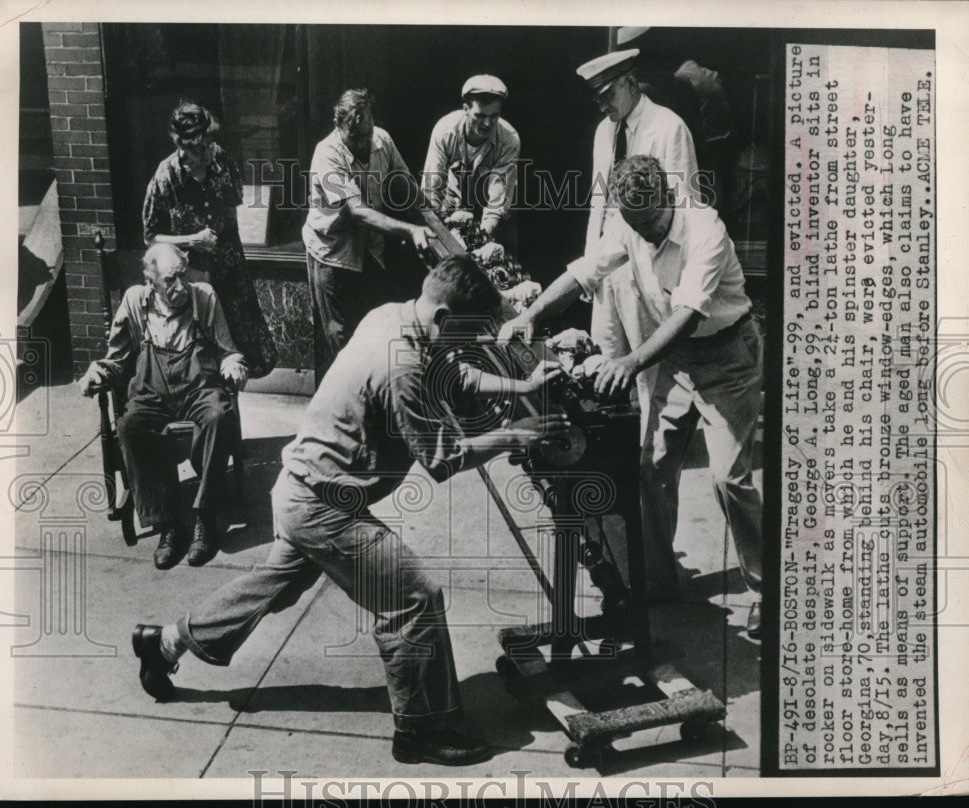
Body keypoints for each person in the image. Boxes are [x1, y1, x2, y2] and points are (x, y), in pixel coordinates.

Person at [132, 255, 571, 765]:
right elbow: (443, 459)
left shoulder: (394, 315)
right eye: (467, 337)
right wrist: (520, 433)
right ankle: (420, 731)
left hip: (301, 485)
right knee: (413, 598)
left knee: (275, 584)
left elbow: (454, 376)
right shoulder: (402, 366)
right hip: (323, 505)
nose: (470, 348)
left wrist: (522, 387)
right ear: (445, 320)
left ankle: (162, 644)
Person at [500, 155, 763, 638]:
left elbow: (687, 314)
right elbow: (585, 273)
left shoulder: (706, 229)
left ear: (667, 197)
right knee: (650, 469)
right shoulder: (628, 223)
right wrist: (531, 315)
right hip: (676, 361)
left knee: (728, 478)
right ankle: (658, 581)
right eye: (632, 223)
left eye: (648, 222)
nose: (641, 233)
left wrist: (629, 362)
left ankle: (769, 590)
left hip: (727, 359)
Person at [79, 243, 248, 569]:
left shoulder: (204, 296)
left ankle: (204, 518)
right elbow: (116, 360)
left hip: (199, 388)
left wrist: (233, 365)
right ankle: (169, 524)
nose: (180, 286)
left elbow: (229, 351)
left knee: (218, 415)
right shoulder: (134, 301)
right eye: (170, 280)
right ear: (150, 281)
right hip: (151, 392)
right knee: (130, 426)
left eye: (182, 276)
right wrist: (95, 371)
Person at [577, 49, 702, 429]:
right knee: (604, 357)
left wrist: (672, 275)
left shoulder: (668, 127)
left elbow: (683, 205)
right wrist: (589, 264)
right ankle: (614, 449)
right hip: (606, 265)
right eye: (596, 98)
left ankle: (654, 455)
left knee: (648, 373)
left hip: (645, 266)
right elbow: (599, 202)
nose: (602, 105)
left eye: (608, 95)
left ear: (630, 83)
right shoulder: (604, 132)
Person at [303, 88, 437, 385]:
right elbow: (357, 212)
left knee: (372, 332)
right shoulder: (327, 154)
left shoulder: (381, 139)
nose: (363, 143)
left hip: (370, 251)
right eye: (355, 137)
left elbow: (404, 183)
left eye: (367, 133)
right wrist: (411, 229)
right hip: (333, 254)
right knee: (340, 339)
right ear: (338, 128)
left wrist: (433, 216)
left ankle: (370, 406)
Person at [143, 101, 278, 379]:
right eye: (196, 150)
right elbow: (150, 236)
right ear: (180, 145)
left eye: (208, 144)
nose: (206, 154)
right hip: (190, 275)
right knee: (202, 357)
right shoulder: (166, 177)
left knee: (238, 357)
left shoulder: (222, 160)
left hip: (229, 271)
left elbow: (235, 206)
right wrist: (192, 240)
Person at [421, 75, 521, 254]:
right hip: (453, 206)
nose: (488, 123)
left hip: (493, 216)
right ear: (465, 109)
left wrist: (481, 239)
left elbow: (497, 203)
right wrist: (440, 231)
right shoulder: (444, 131)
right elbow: (432, 191)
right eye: (480, 116)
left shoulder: (509, 140)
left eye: (494, 116)